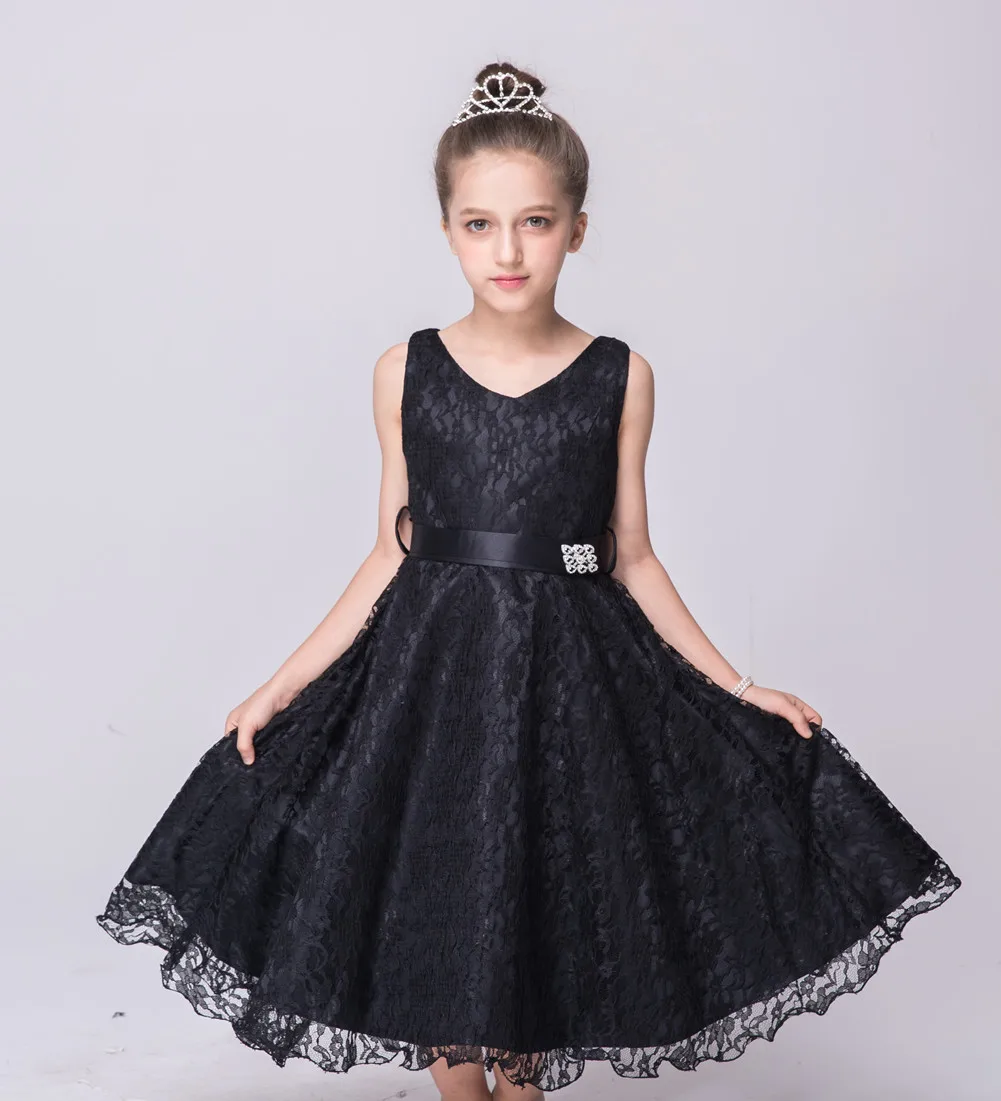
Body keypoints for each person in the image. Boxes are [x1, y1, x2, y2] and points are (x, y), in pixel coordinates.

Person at [95, 62, 962, 1100]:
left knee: (536, 921)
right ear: (447, 231)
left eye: (534, 223)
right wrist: (277, 687)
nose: (507, 252)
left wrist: (738, 687)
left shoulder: (620, 375)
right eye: (479, 225)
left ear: (576, 231)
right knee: (440, 921)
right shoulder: (403, 370)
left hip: (568, 688)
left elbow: (631, 555)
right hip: (431, 687)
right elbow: (389, 550)